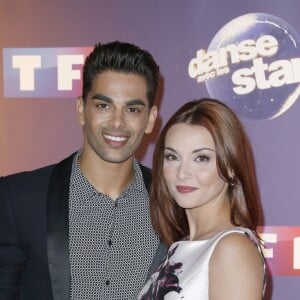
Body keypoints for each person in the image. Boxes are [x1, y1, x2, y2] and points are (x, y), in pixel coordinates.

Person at [0, 41, 167, 300]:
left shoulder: (172, 203)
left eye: (132, 109)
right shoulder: (18, 198)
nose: (117, 122)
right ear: (81, 109)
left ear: (151, 119)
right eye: (103, 105)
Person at [138, 98, 267, 300]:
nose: (182, 173)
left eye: (201, 158)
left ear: (231, 166)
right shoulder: (180, 247)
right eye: (172, 157)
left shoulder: (232, 249)